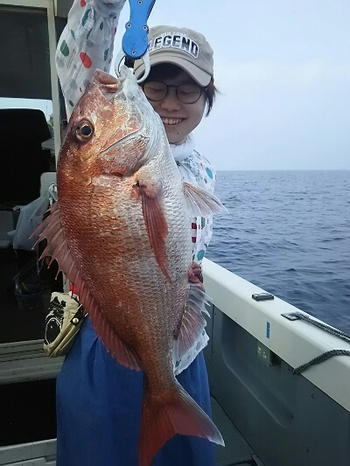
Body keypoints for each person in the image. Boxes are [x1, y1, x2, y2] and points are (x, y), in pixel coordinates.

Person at [54, 1, 220, 465]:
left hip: (180, 355)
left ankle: (164, 398)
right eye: (157, 86)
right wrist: (104, 6)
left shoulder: (200, 167)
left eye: (188, 92)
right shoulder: (109, 144)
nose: (170, 102)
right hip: (108, 341)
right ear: (135, 81)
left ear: (208, 101)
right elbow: (77, 62)